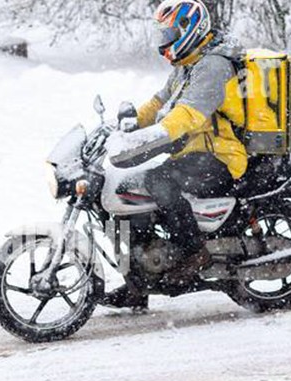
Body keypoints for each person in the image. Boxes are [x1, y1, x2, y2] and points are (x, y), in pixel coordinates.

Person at [106, 0, 248, 285]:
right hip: (194, 151)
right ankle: (139, 282)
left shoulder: (213, 65)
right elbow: (160, 103)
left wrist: (154, 136)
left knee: (159, 181)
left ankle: (194, 253)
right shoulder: (188, 63)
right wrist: (128, 124)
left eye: (169, 35)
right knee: (130, 188)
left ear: (189, 29)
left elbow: (187, 115)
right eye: (163, 36)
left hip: (221, 155)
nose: (164, 43)